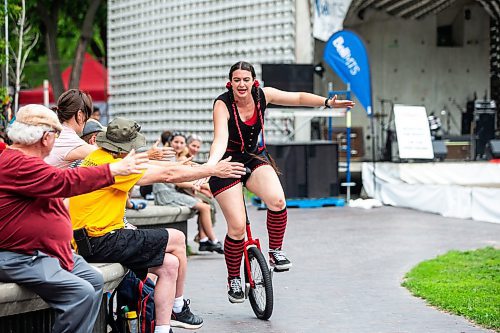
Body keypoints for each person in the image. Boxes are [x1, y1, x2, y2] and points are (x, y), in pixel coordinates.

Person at [69, 117, 246, 333]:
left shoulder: (98, 156)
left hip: (88, 239)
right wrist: (212, 170)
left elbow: (151, 164)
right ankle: (178, 308)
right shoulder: (117, 167)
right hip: (102, 240)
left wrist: (185, 164)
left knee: (170, 265)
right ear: (125, 148)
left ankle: (163, 329)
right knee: (178, 238)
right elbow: (167, 175)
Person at [204, 61, 355, 303]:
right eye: (236, 80)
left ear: (253, 81)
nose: (241, 84)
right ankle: (234, 278)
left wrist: (326, 103)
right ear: (229, 82)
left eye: (245, 79)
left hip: (253, 157)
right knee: (238, 227)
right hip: (226, 162)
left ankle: (275, 251)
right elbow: (220, 139)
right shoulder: (222, 104)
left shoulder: (263, 95)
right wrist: (212, 166)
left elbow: (298, 98)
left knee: (277, 199)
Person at [0, 104, 148, 333]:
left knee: (94, 280)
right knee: (81, 293)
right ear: (46, 137)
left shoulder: (21, 160)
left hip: (43, 252)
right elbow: (66, 181)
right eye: (56, 134)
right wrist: (114, 170)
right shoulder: (19, 163)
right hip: (20, 256)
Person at [153, 132, 223, 253]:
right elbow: (178, 181)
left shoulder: (175, 157)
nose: (178, 145)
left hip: (171, 192)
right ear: (170, 142)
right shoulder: (168, 156)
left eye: (181, 143)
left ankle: (205, 239)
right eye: (176, 142)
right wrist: (198, 187)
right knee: (204, 207)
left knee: (204, 205)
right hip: (165, 194)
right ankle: (213, 240)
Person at [44, 89, 97, 168]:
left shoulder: (54, 132)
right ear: (79, 115)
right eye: (87, 115)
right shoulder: (70, 139)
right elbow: (100, 154)